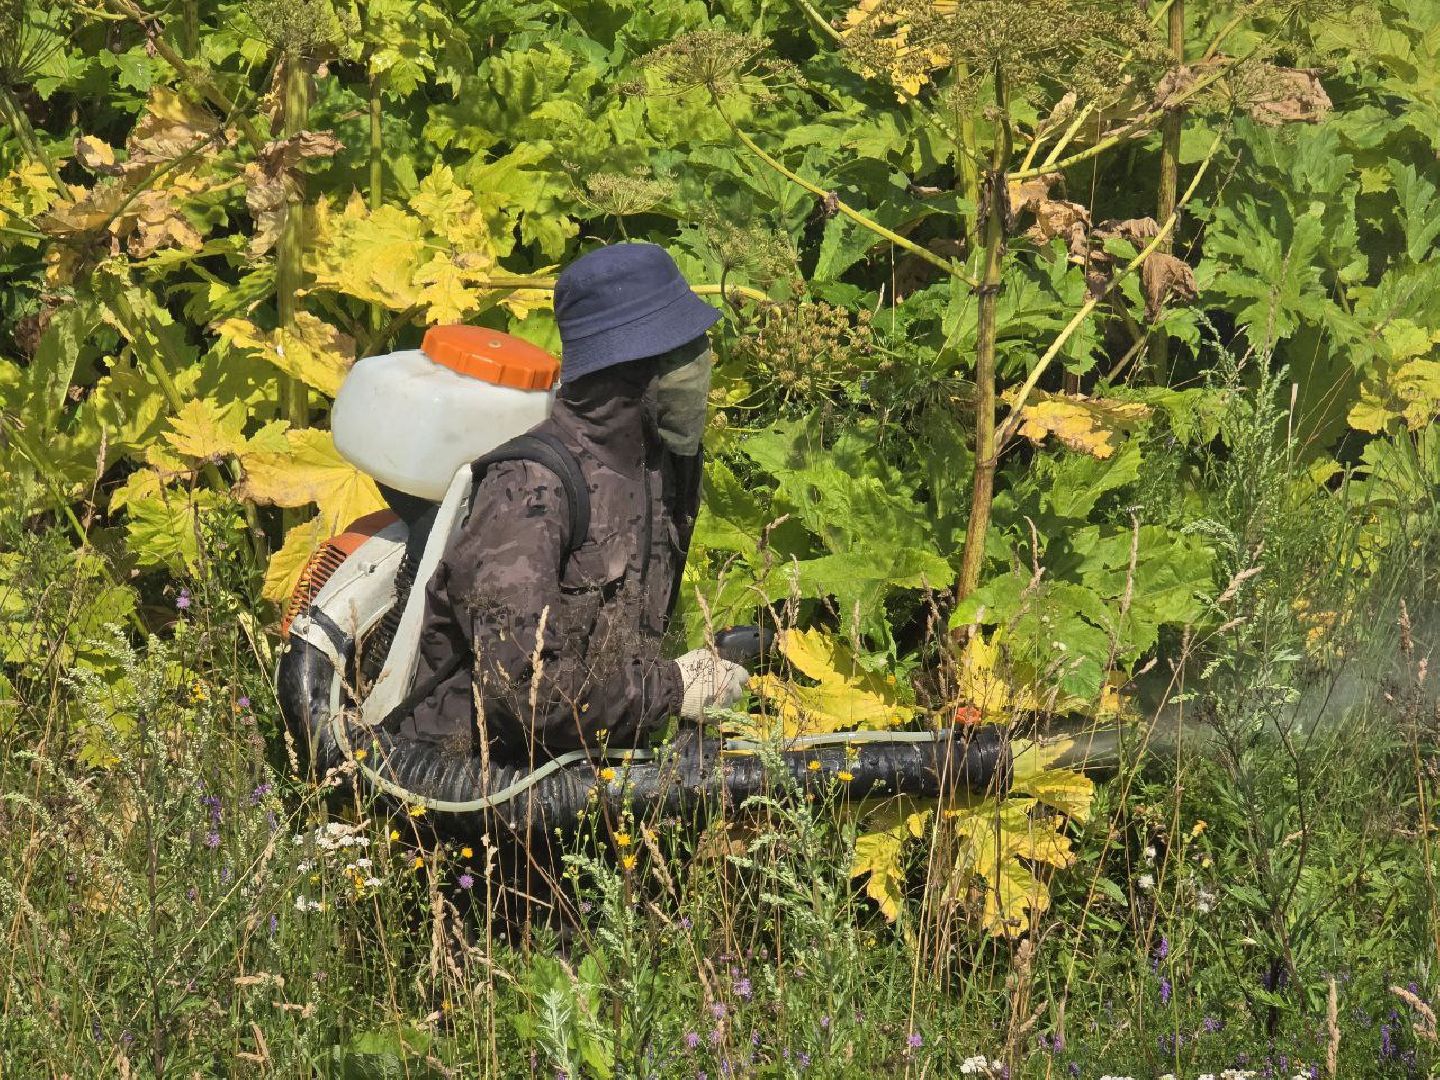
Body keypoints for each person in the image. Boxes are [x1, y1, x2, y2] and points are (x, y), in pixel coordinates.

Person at [399, 242, 750, 763]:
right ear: (630, 371)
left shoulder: (661, 465)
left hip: (586, 764)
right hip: (472, 781)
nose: (701, 363)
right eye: (681, 351)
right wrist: (675, 688)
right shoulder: (528, 489)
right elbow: (522, 688)